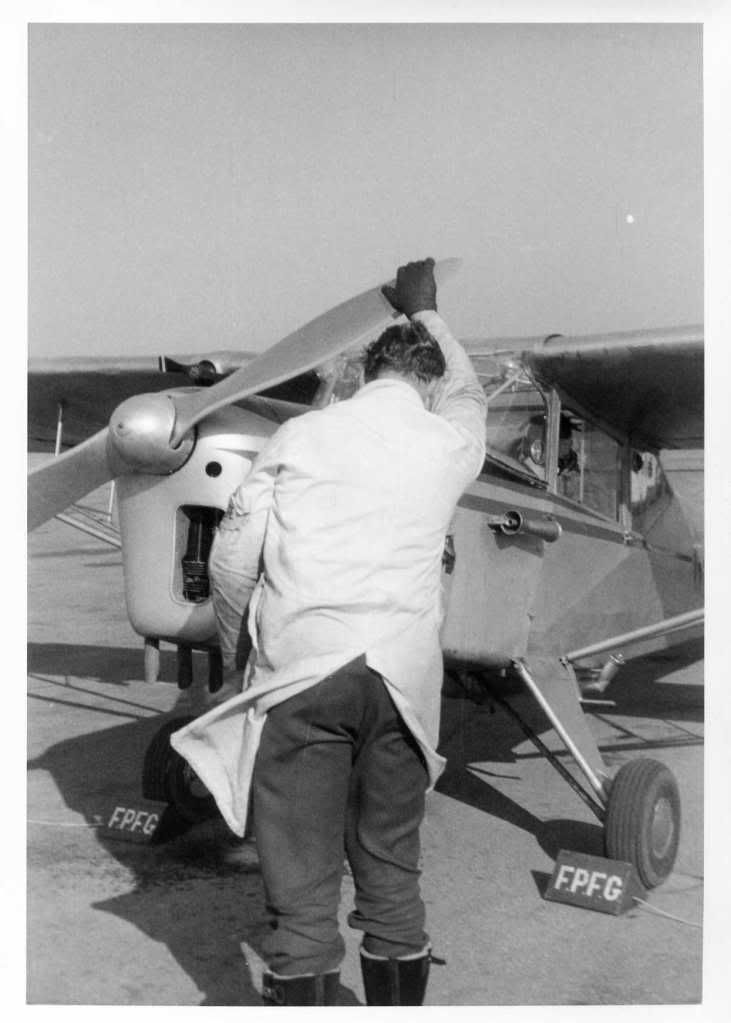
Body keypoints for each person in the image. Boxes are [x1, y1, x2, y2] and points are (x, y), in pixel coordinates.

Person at [171, 258, 486, 1006]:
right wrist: (428, 309)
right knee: (390, 870)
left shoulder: (300, 436)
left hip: (304, 678)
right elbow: (469, 391)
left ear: (366, 373)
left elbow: (232, 562)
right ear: (427, 384)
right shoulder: (448, 443)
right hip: (402, 686)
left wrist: (240, 657)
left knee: (301, 891)